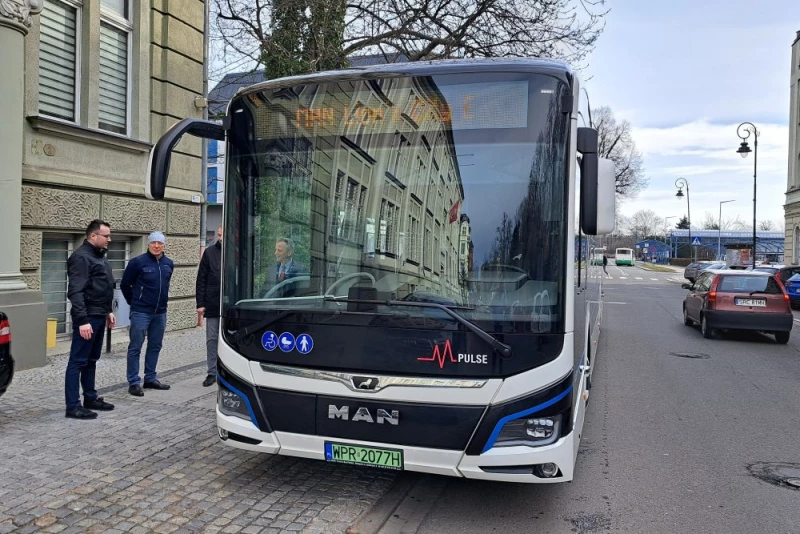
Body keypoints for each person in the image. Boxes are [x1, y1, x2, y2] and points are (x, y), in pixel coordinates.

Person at [64, 220, 117, 419]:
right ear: (93, 236)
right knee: (77, 362)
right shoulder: (81, 258)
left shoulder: (99, 256)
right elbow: (76, 292)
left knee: (91, 360)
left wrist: (107, 311)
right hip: (87, 318)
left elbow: (101, 287)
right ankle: (72, 406)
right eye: (106, 236)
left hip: (98, 315)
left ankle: (90, 397)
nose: (109, 240)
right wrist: (82, 320)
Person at [120, 231, 174, 396]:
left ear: (164, 245)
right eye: (153, 243)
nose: (157, 246)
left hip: (160, 313)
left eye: (160, 243)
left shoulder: (168, 264)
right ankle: (134, 382)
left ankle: (150, 378)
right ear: (148, 244)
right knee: (135, 347)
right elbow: (125, 284)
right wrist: (135, 302)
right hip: (141, 312)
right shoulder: (138, 262)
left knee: (155, 346)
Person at [197, 226, 222, 387]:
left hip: (232, 306)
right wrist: (200, 304)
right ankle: (212, 372)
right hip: (212, 303)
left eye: (223, 235)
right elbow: (201, 279)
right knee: (212, 339)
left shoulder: (238, 252)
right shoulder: (210, 252)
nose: (220, 237)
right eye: (218, 234)